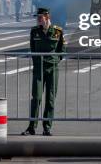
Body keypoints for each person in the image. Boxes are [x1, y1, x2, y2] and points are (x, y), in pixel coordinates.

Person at [22, 7, 66, 136]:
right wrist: (37, 62)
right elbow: (33, 49)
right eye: (37, 17)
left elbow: (62, 50)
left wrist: (55, 61)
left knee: (50, 99)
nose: (38, 19)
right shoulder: (34, 31)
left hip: (52, 69)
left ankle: (47, 127)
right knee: (36, 97)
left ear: (47, 17)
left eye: (40, 17)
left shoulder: (57, 31)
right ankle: (32, 127)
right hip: (39, 69)